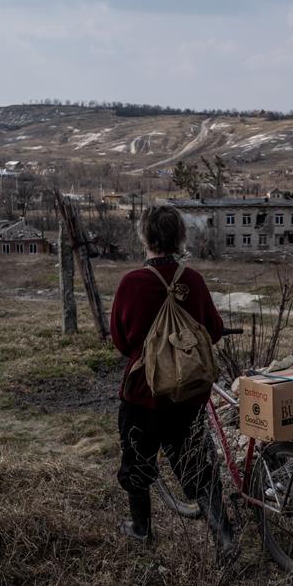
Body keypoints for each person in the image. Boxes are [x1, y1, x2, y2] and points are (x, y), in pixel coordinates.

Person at [109, 204, 235, 557]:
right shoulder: (192, 280)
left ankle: (141, 529)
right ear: (179, 238)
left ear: (145, 238)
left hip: (143, 396)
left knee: (137, 461)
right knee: (198, 467)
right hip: (188, 396)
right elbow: (214, 331)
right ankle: (225, 537)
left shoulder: (131, 283)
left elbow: (121, 341)